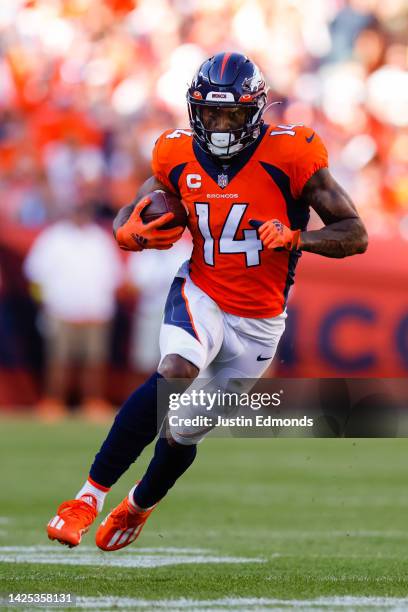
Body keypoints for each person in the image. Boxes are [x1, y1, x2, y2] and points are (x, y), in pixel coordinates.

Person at [46, 52, 367, 549]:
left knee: (183, 433)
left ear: (255, 111)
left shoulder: (292, 152)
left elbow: (356, 233)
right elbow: (144, 199)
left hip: (260, 323)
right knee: (174, 371)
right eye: (211, 113)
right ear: (195, 110)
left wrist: (298, 240)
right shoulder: (175, 151)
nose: (220, 125)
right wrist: (124, 227)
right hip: (202, 290)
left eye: (233, 114)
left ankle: (139, 504)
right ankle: (86, 498)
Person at [24, 202, 124, 421]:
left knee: (95, 361)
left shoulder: (100, 240)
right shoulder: (53, 238)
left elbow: (114, 276)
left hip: (95, 312)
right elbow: (35, 275)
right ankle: (53, 401)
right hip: (61, 310)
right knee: (58, 360)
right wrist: (45, 306)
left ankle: (93, 401)